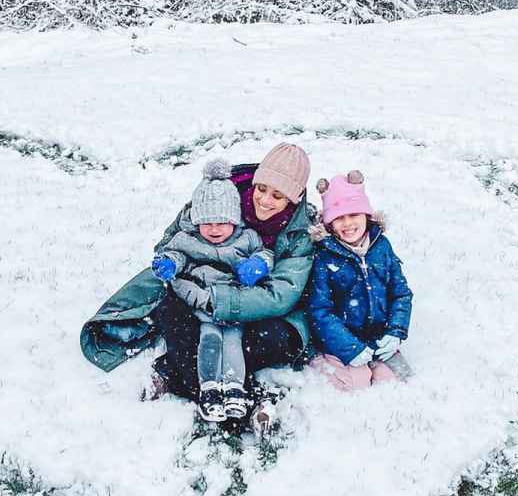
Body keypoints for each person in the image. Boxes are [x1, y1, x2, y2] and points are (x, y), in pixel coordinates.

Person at [80, 142, 314, 434]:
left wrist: (221, 301)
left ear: (295, 198)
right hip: (198, 291)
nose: (264, 200)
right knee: (173, 313)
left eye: (278, 196)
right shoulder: (219, 197)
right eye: (262, 189)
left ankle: (181, 376)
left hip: (256, 308)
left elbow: (281, 295)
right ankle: (238, 399)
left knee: (270, 340)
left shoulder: (299, 233)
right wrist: (177, 267)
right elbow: (171, 242)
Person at [152, 159, 275, 422]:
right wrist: (169, 263)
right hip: (202, 303)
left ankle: (233, 388)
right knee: (209, 340)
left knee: (233, 342)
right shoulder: (188, 239)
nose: (215, 229)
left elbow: (265, 253)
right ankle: (208, 388)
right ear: (196, 221)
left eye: (222, 222)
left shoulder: (247, 238)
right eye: (207, 223)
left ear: (235, 219)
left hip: (234, 305)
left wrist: (259, 264)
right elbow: (176, 255)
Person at [307, 170, 413, 390]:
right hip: (340, 341)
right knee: (357, 384)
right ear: (329, 224)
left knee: (397, 382)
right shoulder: (325, 256)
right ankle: (320, 362)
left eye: (353, 215)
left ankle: (377, 361)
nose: (347, 224)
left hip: (378, 337)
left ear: (366, 216)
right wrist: (349, 347)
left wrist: (395, 331)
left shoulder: (381, 247)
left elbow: (401, 293)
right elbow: (320, 310)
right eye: (339, 218)